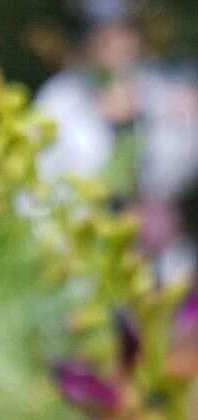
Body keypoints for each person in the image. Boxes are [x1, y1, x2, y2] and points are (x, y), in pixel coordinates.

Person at [36, 0, 198, 279]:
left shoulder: (159, 88)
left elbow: (179, 173)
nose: (119, 44)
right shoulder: (59, 102)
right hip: (90, 263)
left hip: (164, 260)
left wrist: (185, 121)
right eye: (106, 35)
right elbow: (39, 191)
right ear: (89, 41)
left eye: (125, 32)